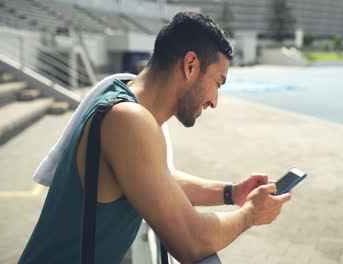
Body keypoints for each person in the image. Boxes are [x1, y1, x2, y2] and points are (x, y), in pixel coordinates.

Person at [19, 12, 292, 264]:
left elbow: (158, 180)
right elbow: (191, 242)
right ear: (190, 65)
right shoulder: (128, 121)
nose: (215, 101)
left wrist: (231, 192)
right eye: (218, 83)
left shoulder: (119, 93)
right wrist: (250, 214)